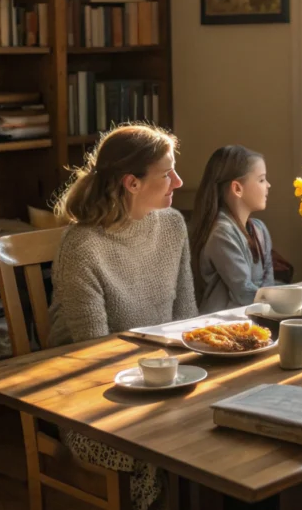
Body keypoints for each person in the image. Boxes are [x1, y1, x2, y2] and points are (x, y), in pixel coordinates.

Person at [48, 123, 197, 510]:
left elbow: (187, 318)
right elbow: (93, 358)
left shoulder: (172, 226)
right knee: (166, 447)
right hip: (90, 400)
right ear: (131, 182)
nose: (178, 182)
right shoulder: (82, 247)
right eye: (167, 174)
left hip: (164, 381)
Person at [188, 145, 275, 313]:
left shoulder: (260, 229)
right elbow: (243, 293)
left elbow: (269, 285)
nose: (268, 185)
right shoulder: (222, 232)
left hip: (258, 315)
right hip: (222, 324)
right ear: (237, 188)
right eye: (262, 179)